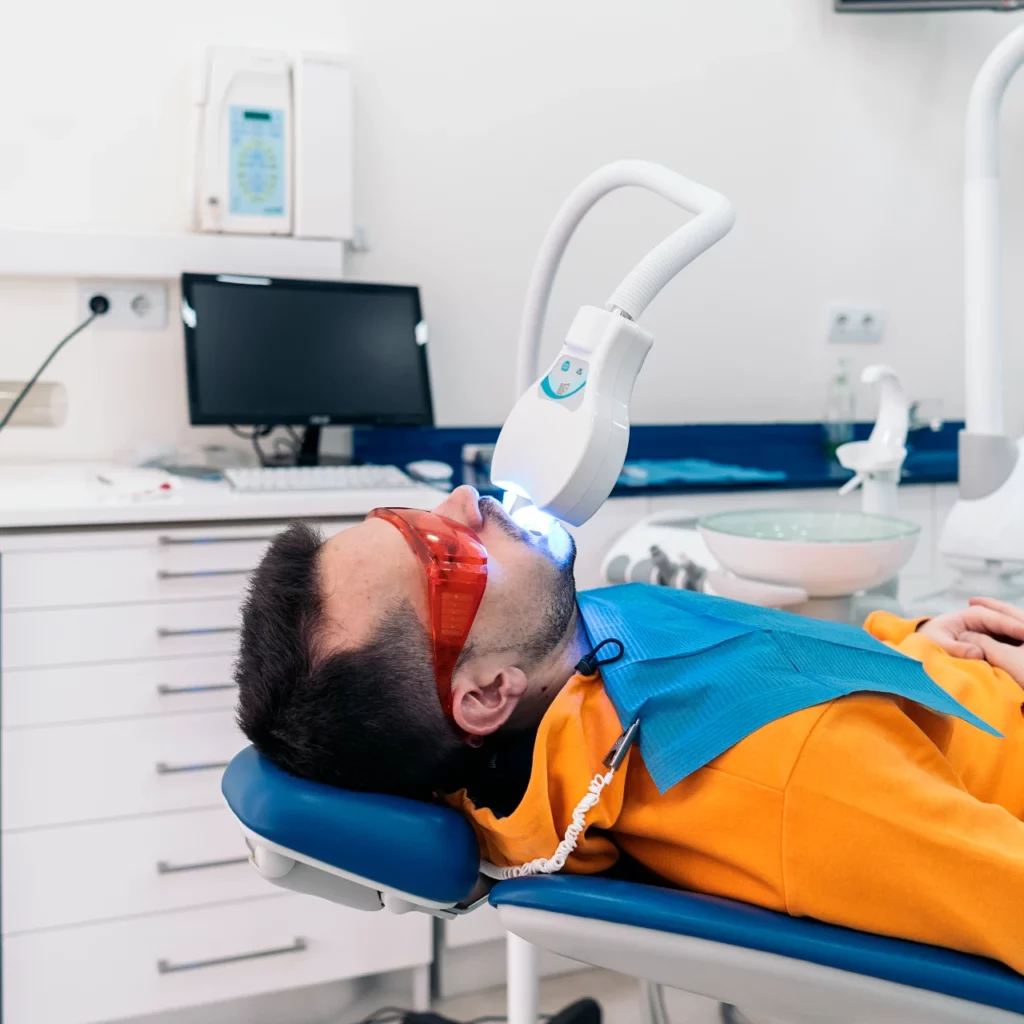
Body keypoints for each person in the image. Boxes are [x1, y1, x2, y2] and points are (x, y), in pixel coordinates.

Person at [236, 485, 1024, 973]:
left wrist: (912, 647)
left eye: (411, 514)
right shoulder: (779, 777)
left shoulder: (592, 655)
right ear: (483, 698)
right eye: (443, 552)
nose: (466, 502)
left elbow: (793, 666)